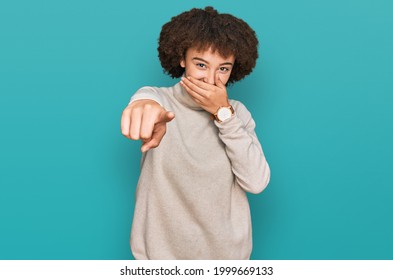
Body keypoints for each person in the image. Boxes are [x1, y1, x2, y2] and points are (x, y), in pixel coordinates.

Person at [121, 6, 270, 260]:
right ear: (182, 59)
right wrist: (144, 109)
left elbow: (256, 183)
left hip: (227, 260)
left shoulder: (237, 113)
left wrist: (223, 114)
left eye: (223, 68)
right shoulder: (158, 99)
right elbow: (145, 102)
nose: (211, 79)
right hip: (159, 261)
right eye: (201, 64)